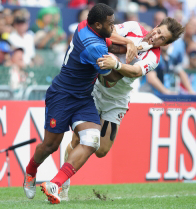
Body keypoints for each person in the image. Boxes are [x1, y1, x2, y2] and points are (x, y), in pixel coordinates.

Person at [23, 3, 137, 204]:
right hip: (62, 96)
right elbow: (110, 79)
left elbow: (111, 40)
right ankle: (31, 170)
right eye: (110, 24)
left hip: (83, 98)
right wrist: (131, 68)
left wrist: (131, 43)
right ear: (98, 24)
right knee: (50, 145)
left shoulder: (86, 25)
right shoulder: (94, 47)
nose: (113, 27)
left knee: (92, 140)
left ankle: (54, 184)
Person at [61, 17, 185, 200]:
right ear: (156, 26)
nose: (156, 37)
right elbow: (107, 32)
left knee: (101, 151)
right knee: (83, 138)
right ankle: (63, 183)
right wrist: (128, 42)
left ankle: (70, 156)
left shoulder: (154, 57)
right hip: (94, 89)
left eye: (162, 38)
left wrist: (116, 64)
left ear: (165, 44)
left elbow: (135, 71)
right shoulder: (134, 27)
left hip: (117, 100)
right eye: (158, 31)